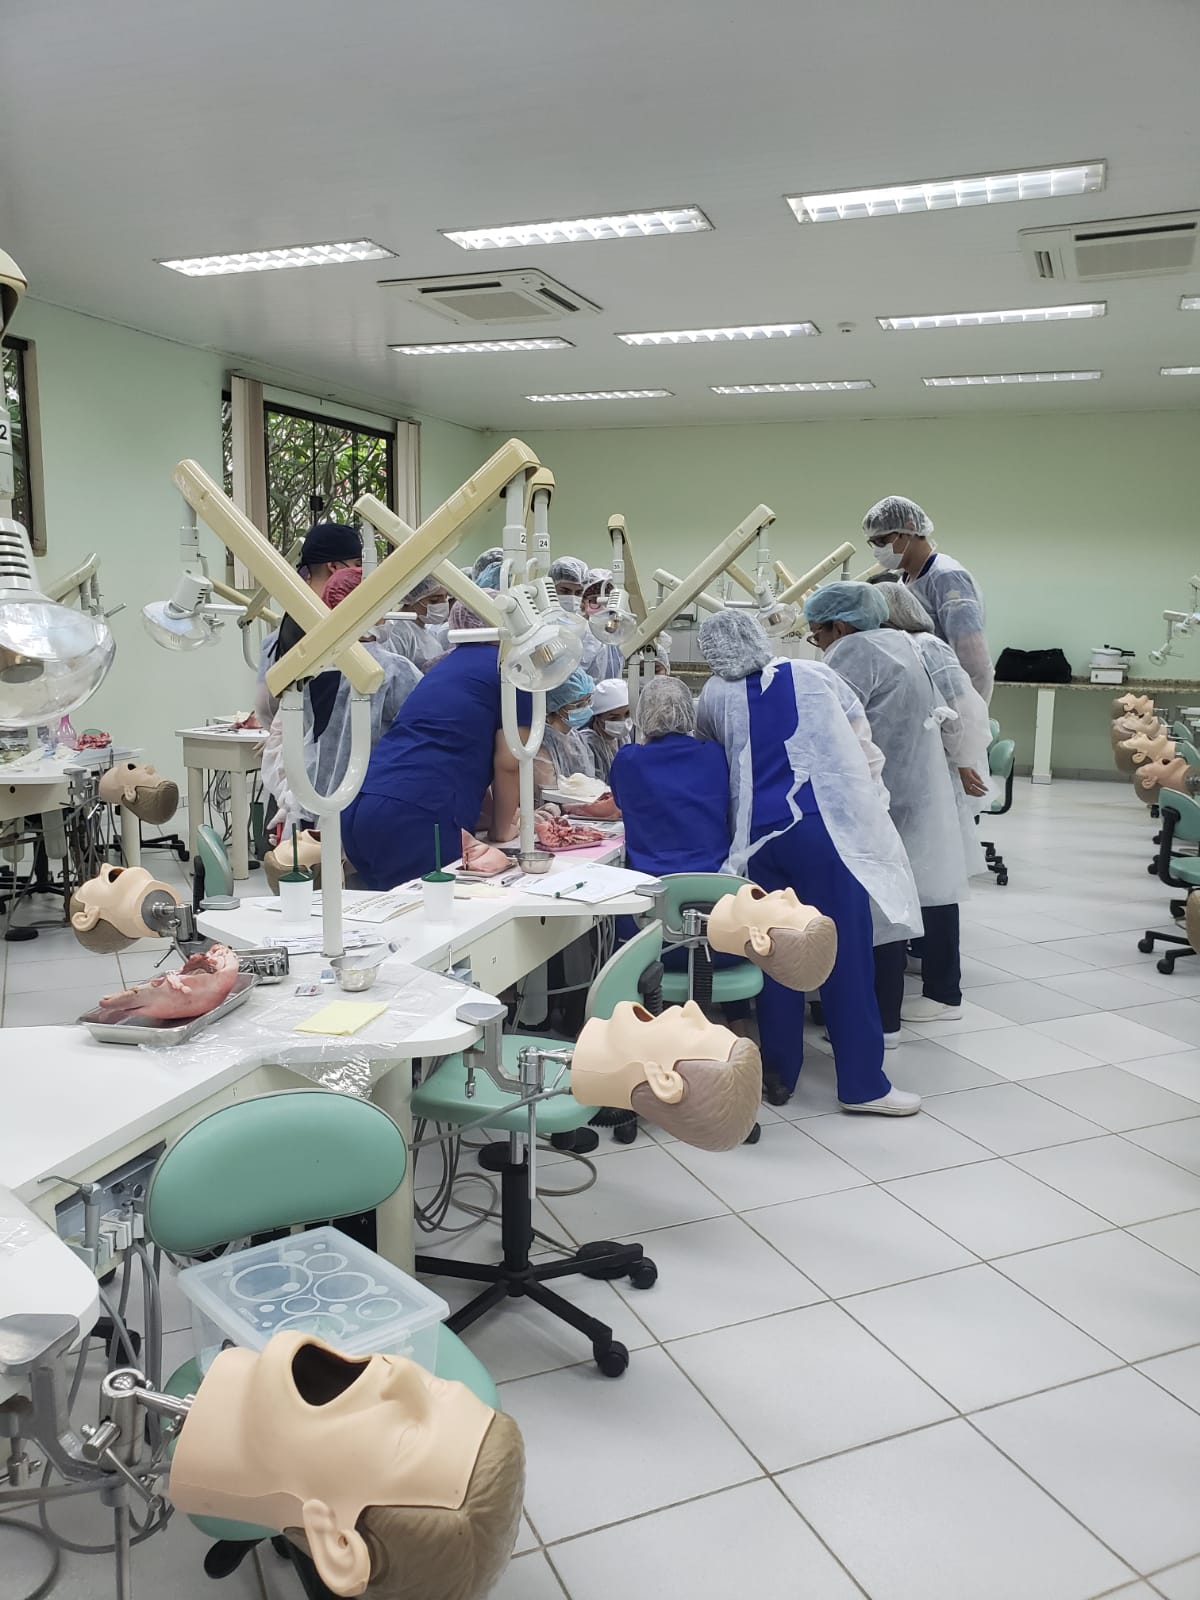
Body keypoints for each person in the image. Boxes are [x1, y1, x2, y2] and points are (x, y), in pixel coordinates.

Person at [695, 609, 921, 1114]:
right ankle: (863, 1085)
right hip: (825, 832)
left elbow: (715, 764)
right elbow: (863, 750)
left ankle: (780, 1075)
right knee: (843, 954)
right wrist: (872, 812)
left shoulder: (713, 695)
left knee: (776, 953)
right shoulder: (815, 674)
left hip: (755, 842)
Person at [805, 581, 974, 1035]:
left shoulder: (853, 651)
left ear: (840, 626)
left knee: (880, 904)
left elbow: (827, 720)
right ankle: (901, 1008)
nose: (817, 643)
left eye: (817, 633)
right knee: (913, 892)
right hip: (916, 785)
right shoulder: (903, 643)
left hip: (879, 792)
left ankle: (877, 1021)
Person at [342, 596, 531, 889]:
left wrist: (485, 816)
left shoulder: (446, 667)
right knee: (431, 913)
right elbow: (510, 762)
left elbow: (453, 751)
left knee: (387, 910)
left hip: (360, 804)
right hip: (416, 816)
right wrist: (502, 830)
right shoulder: (511, 671)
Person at [260, 567, 421, 838]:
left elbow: (301, 735)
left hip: (312, 797)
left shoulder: (310, 668)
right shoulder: (394, 670)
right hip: (372, 802)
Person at [861, 494, 994, 703]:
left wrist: (970, 715)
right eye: (873, 543)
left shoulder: (946, 577)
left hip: (953, 703)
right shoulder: (904, 582)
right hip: (928, 700)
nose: (877, 550)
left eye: (882, 541)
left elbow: (975, 665)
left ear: (909, 529)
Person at [254, 522, 362, 724]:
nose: (361, 573)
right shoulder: (329, 624)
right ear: (334, 567)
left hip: (291, 738)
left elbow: (265, 707)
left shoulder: (291, 622)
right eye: (357, 564)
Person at [532, 667, 596, 799]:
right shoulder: (542, 742)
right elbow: (546, 793)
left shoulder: (576, 737)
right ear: (556, 705)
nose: (586, 709)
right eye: (578, 705)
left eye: (588, 701)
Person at [380, 574, 449, 671]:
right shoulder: (397, 632)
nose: (443, 604)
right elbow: (395, 672)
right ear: (411, 598)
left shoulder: (427, 631)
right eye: (434, 600)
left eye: (446, 597)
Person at [582, 678, 631, 780]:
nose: (623, 722)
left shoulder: (623, 738)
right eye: (613, 718)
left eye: (627, 714)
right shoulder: (586, 744)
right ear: (597, 717)